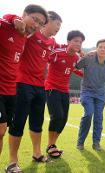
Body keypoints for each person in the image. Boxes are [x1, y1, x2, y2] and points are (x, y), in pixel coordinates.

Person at [6, 11, 62, 171]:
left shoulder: (52, 42)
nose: (58, 28)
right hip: (22, 84)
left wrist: (79, 51)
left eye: (60, 25)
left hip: (40, 87)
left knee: (37, 123)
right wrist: (15, 18)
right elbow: (13, 20)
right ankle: (12, 161)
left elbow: (63, 49)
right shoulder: (31, 33)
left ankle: (37, 153)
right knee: (18, 123)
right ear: (48, 21)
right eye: (57, 23)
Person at [0, 4, 48, 172]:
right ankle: (12, 162)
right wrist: (12, 18)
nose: (36, 25)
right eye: (34, 19)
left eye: (40, 23)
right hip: (12, 87)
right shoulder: (6, 26)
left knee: (3, 130)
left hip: (11, 90)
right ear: (24, 14)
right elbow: (5, 20)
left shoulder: (26, 38)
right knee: (4, 128)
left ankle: (12, 163)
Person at [45, 30, 84, 158]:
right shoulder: (58, 53)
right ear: (68, 41)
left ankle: (52, 144)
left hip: (64, 90)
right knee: (57, 116)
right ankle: (50, 145)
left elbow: (75, 69)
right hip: (51, 88)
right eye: (75, 41)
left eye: (80, 42)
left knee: (64, 119)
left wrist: (89, 75)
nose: (78, 44)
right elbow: (44, 58)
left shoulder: (76, 58)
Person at [76, 39, 105, 151]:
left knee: (99, 117)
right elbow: (77, 65)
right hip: (87, 91)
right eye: (100, 47)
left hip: (100, 93)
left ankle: (96, 143)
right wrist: (83, 55)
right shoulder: (88, 58)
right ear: (96, 48)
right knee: (88, 114)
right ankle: (80, 142)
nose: (103, 49)